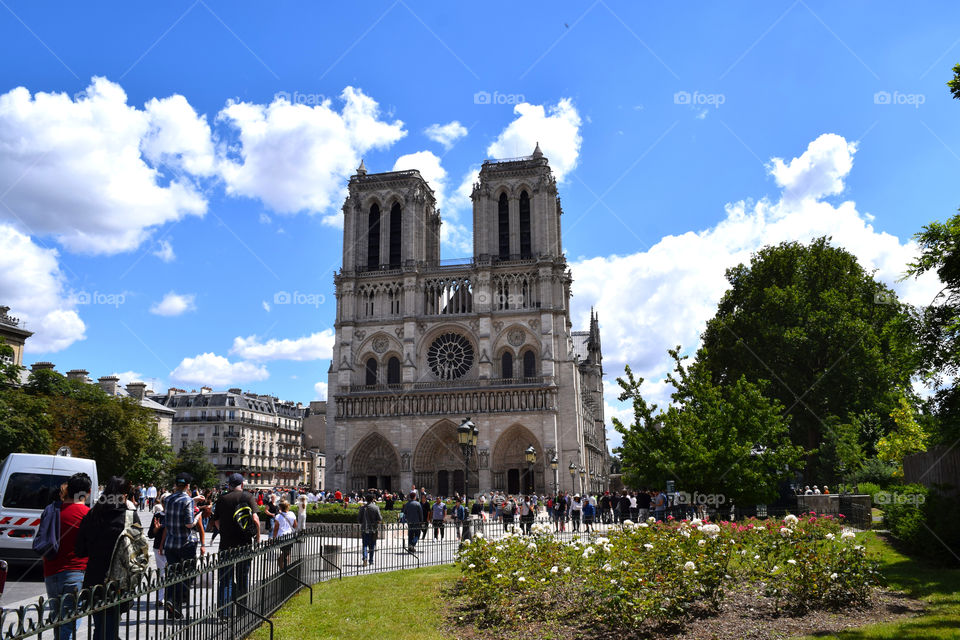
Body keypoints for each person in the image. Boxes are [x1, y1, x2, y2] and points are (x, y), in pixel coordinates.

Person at [75, 476, 142, 640]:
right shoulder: (130, 517)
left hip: (95, 578)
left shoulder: (92, 515)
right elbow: (139, 553)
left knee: (101, 626)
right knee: (110, 628)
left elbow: (80, 550)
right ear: (125, 495)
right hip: (119, 581)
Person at [42, 472, 91, 640]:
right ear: (88, 492)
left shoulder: (52, 510)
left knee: (57, 619)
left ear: (68, 489)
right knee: (69, 624)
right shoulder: (87, 514)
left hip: (50, 570)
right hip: (75, 571)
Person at [213, 473, 260, 620]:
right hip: (244, 544)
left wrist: (224, 532)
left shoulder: (222, 498)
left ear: (229, 485)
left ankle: (224, 613)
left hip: (226, 545)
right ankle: (241, 610)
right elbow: (256, 519)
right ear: (242, 484)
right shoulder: (248, 497)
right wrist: (257, 538)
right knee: (242, 577)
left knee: (225, 579)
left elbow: (216, 521)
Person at [160, 473, 201, 621]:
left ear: (176, 485)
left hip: (170, 543)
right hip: (185, 543)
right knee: (187, 575)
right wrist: (197, 518)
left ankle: (172, 603)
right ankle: (175, 601)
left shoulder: (168, 499)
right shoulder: (187, 500)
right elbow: (189, 524)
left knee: (173, 573)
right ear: (188, 486)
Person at [147, 503, 166, 608]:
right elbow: (150, 534)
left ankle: (171, 597)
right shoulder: (158, 515)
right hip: (159, 548)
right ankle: (160, 598)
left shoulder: (175, 513)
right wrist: (156, 529)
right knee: (162, 573)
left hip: (173, 547)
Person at [358, 493, 382, 567]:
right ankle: (371, 560)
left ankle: (365, 558)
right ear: (373, 499)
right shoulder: (376, 507)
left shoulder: (362, 508)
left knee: (365, 545)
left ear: (366, 499)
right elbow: (380, 518)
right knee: (372, 545)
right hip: (373, 529)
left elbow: (359, 519)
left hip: (364, 529)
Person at [273, 500, 296, 570]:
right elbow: (295, 525)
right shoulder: (292, 514)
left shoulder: (278, 516)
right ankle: (286, 568)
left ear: (280, 507)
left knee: (285, 553)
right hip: (290, 536)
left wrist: (274, 537)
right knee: (287, 553)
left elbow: (276, 528)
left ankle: (282, 567)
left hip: (281, 536)